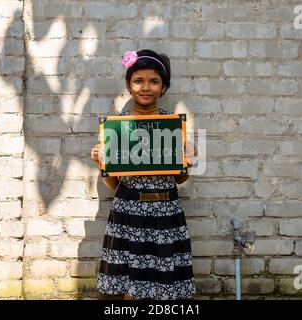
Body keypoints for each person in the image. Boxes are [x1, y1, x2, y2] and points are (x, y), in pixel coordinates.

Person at [91, 49, 197, 300]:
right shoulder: (116, 126)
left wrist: (187, 162)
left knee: (164, 285)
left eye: (154, 81)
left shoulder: (173, 125)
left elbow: (180, 179)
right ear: (128, 85)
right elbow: (112, 184)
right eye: (138, 80)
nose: (146, 87)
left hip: (166, 210)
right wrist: (101, 164)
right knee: (133, 289)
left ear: (164, 87)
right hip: (128, 211)